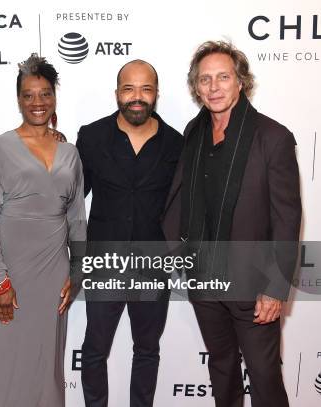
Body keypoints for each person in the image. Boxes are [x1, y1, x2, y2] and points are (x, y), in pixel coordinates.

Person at [163, 41, 301, 407]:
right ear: (196, 87)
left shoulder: (273, 138)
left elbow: (287, 219)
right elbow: (180, 197)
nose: (214, 87)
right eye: (205, 79)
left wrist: (275, 287)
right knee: (222, 369)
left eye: (223, 77)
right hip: (204, 280)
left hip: (253, 287)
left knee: (264, 377)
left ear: (241, 82)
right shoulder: (193, 133)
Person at [0, 53, 86, 407]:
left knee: (46, 364)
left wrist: (78, 267)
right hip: (8, 272)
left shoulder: (69, 152)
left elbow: (77, 217)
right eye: (28, 95)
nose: (37, 102)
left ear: (54, 97)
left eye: (45, 94)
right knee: (4, 363)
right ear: (19, 99)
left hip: (54, 272)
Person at [76, 60, 183, 407]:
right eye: (129, 88)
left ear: (156, 94)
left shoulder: (176, 144)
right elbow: (74, 198)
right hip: (104, 263)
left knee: (147, 350)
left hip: (153, 266)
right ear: (117, 93)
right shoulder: (91, 136)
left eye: (146, 88)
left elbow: (183, 206)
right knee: (94, 350)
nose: (137, 97)